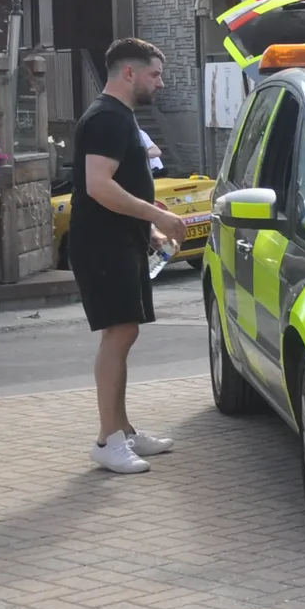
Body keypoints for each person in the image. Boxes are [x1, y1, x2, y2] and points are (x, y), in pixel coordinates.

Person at [69, 38, 188, 476]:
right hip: (102, 244)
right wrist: (158, 214)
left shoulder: (118, 117)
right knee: (117, 335)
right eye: (154, 74)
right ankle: (108, 440)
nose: (160, 82)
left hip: (121, 239)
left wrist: (149, 229)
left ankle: (124, 430)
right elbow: (99, 187)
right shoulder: (106, 119)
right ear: (129, 73)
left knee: (126, 333)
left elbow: (123, 186)